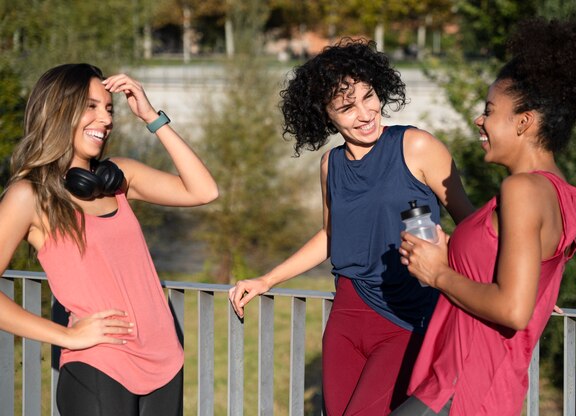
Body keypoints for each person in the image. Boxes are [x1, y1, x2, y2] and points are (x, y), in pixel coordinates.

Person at [391, 18, 576, 416]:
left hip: (462, 390)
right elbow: (514, 279)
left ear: (524, 121)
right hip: (476, 388)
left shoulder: (522, 190)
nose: (479, 121)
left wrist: (438, 274)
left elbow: (513, 309)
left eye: (489, 111)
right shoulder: (558, 191)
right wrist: (451, 255)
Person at [228, 39, 474, 415]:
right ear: (326, 115)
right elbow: (331, 235)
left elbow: (470, 222)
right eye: (346, 106)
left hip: (405, 316)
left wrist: (514, 277)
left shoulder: (417, 146)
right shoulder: (331, 165)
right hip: (346, 317)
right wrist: (267, 280)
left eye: (368, 96)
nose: (365, 113)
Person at [0, 63, 219, 416]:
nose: (105, 119)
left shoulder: (118, 178)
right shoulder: (30, 195)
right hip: (101, 366)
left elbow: (204, 190)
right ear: (58, 109)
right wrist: (67, 336)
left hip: (165, 361)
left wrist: (151, 116)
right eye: (91, 106)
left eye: (109, 108)